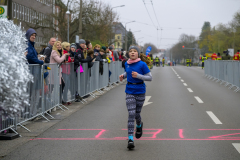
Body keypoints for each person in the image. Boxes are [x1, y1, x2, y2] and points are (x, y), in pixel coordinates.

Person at [119, 46, 152, 149]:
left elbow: (150, 77)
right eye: (130, 51)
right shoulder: (126, 63)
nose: (132, 53)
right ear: (128, 53)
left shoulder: (142, 64)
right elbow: (128, 72)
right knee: (131, 113)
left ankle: (139, 125)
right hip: (129, 90)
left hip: (140, 91)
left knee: (137, 114)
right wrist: (123, 76)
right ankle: (130, 139)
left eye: (134, 51)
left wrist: (138, 76)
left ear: (138, 53)